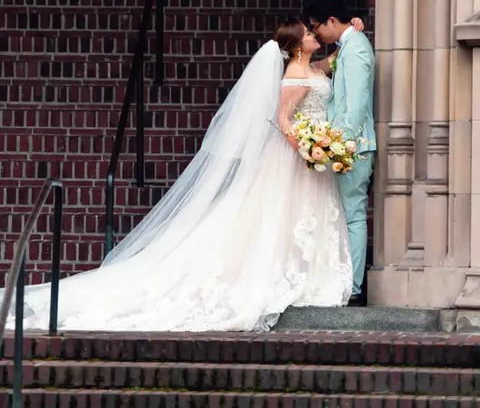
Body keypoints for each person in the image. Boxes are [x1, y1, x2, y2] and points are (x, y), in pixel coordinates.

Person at [0, 17, 364, 333]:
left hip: (311, 158)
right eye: (308, 34)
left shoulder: (312, 69)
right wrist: (307, 146)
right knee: (280, 218)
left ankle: (307, 276)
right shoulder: (295, 74)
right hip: (294, 158)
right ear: (295, 45)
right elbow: (284, 119)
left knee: (298, 219)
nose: (315, 35)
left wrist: (351, 35)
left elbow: (329, 66)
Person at [304, 0, 375, 306]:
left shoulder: (356, 47)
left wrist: (342, 146)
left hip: (353, 148)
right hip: (343, 147)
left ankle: (356, 288)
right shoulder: (346, 46)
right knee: (345, 216)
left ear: (332, 20)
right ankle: (346, 282)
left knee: (353, 216)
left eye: (318, 27)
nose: (317, 34)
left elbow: (357, 104)